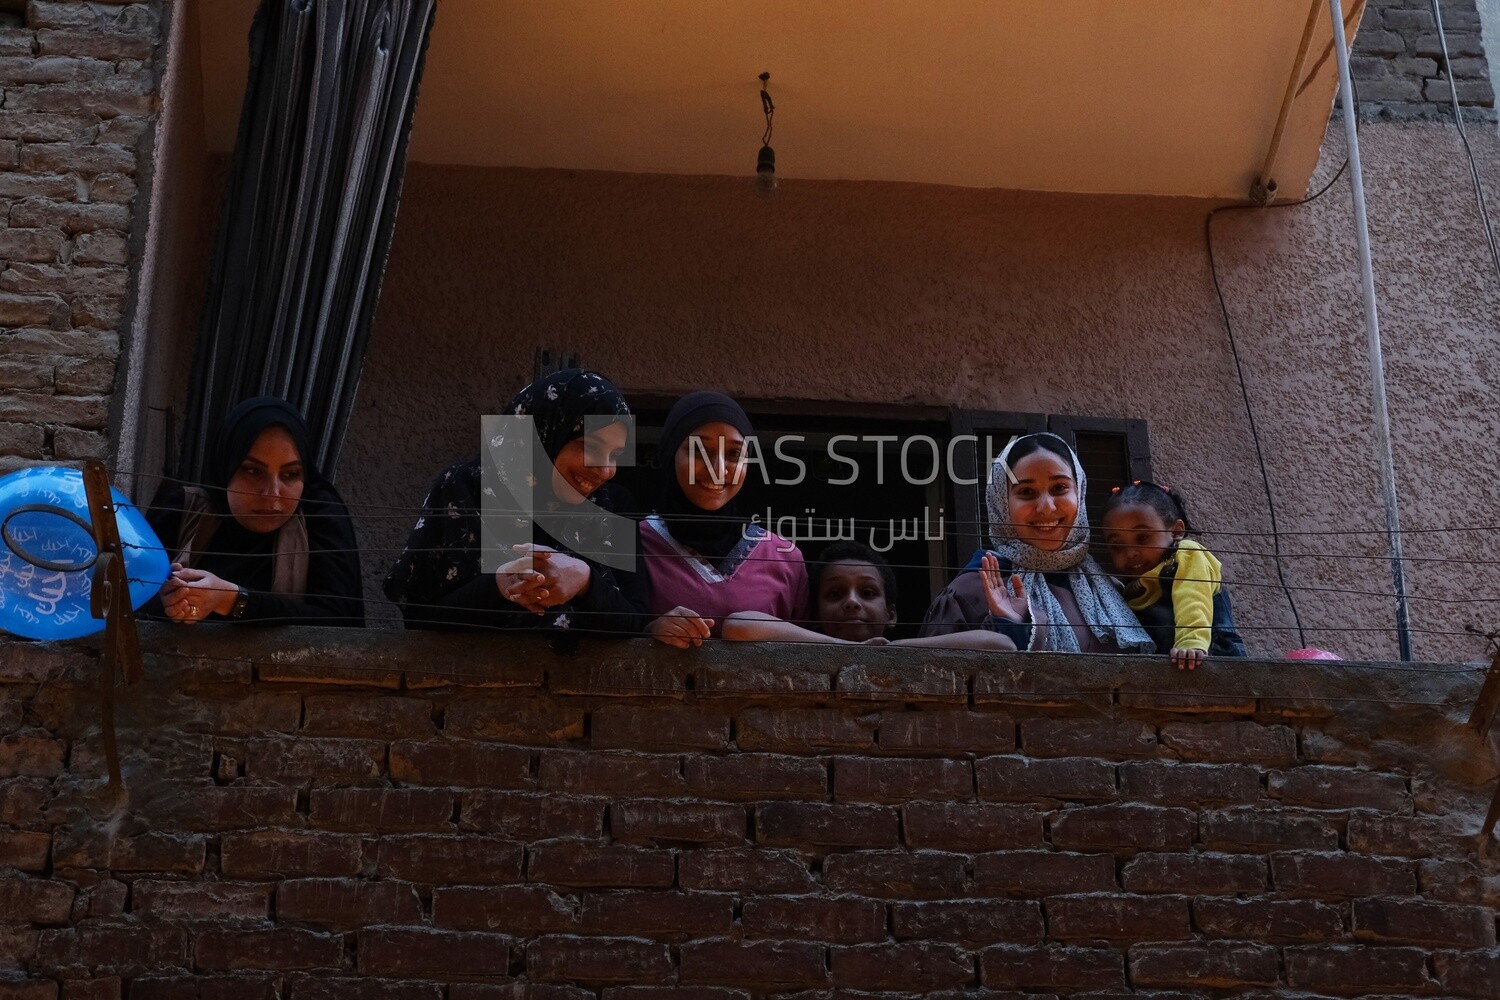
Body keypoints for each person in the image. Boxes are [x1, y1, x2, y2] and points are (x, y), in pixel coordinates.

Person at [384, 369, 647, 635]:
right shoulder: (464, 488)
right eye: (590, 446)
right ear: (543, 434)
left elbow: (637, 623)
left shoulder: (611, 506)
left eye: (615, 454)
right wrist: (499, 585)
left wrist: (586, 582)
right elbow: (419, 619)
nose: (605, 471)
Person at [921, 432, 1152, 653]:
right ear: (1001, 502)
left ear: (1079, 492)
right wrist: (1011, 629)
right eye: (1027, 492)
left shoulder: (1109, 590)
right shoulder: (971, 591)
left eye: (1059, 488)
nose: (1046, 507)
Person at [145, 396, 363, 626]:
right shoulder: (182, 510)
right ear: (226, 467)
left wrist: (231, 600)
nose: (272, 493)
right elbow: (126, 604)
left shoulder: (317, 516)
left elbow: (338, 622)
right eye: (253, 471)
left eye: (290, 474)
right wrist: (170, 600)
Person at [642, 392, 808, 649]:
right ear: (670, 452)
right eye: (700, 450)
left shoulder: (785, 557)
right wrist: (648, 630)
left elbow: (811, 660)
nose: (717, 468)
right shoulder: (632, 544)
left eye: (733, 454)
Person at [724, 540, 1015, 650]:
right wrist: (838, 646)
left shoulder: (900, 650)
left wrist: (892, 649)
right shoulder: (803, 648)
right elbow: (738, 624)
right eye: (835, 594)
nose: (852, 602)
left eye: (867, 592)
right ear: (815, 612)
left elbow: (1000, 644)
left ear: (891, 614)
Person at [1100, 480, 1247, 669]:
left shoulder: (1186, 554)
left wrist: (1191, 643)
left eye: (1142, 538)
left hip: (1210, 658)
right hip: (1172, 667)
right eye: (1117, 546)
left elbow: (1193, 597)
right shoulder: (1133, 585)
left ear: (1177, 531)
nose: (1130, 553)